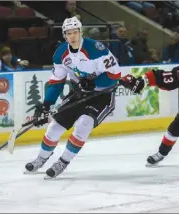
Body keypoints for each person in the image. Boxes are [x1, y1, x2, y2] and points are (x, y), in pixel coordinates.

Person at [25, 16, 121, 179]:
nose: (73, 36)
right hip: (79, 93)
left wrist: (95, 82)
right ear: (64, 35)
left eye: (75, 32)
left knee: (84, 124)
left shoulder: (96, 49)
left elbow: (115, 74)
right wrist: (46, 105)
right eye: (68, 33)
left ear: (80, 32)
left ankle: (63, 161)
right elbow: (56, 82)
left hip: (102, 95)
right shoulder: (61, 54)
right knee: (54, 126)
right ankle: (41, 158)